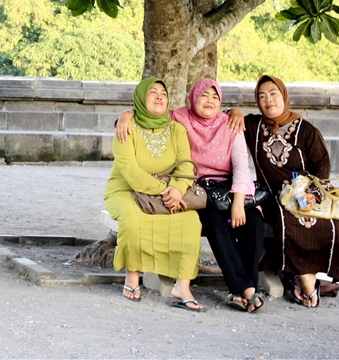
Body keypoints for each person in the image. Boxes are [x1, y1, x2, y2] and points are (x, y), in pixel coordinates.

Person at [117, 78, 266, 312]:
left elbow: (241, 166)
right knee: (216, 225)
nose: (210, 101)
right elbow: (151, 114)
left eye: (215, 97)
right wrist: (126, 114)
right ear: (193, 97)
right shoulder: (180, 118)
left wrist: (238, 201)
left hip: (230, 189)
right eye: (204, 95)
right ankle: (245, 291)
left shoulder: (230, 124)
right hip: (197, 190)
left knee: (254, 223)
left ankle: (245, 288)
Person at [244, 75, 339, 308]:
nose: (268, 100)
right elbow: (229, 118)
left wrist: (313, 194)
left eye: (273, 94)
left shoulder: (306, 130)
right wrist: (232, 113)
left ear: (284, 96)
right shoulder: (254, 126)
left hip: (306, 195)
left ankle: (311, 277)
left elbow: (322, 165)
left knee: (331, 226)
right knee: (286, 220)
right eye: (261, 96)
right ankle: (306, 281)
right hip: (273, 197)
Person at [104, 78, 205, 311]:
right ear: (140, 98)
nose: (159, 97)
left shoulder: (177, 130)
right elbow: (130, 170)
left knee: (189, 220)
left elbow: (185, 166)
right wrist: (163, 190)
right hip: (126, 190)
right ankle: (132, 276)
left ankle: (182, 285)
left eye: (163, 93)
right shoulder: (126, 126)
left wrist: (177, 190)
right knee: (132, 219)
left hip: (170, 192)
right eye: (153, 92)